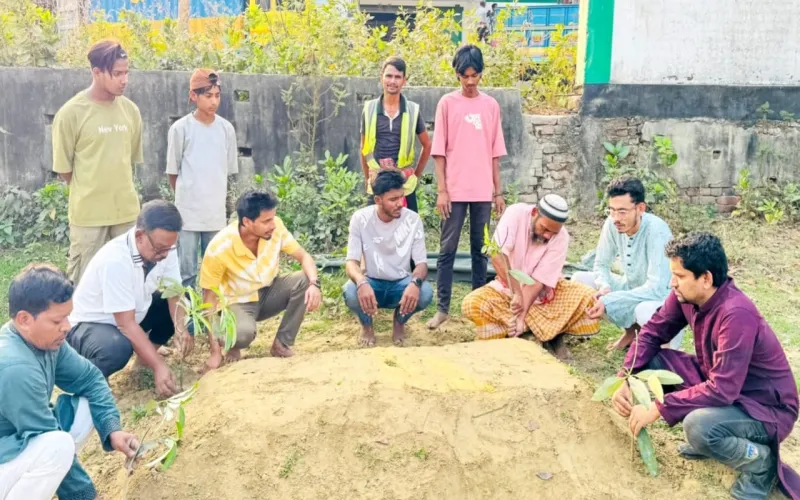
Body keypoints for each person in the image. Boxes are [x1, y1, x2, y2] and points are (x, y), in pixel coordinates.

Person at [611, 232, 800, 499]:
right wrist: (626, 377)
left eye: (679, 276)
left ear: (706, 278)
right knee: (652, 362)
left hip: (764, 408)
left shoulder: (736, 314)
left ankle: (760, 464)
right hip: (723, 385)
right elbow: (652, 333)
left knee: (699, 426)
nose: (672, 283)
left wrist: (658, 407)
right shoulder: (685, 297)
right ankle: (713, 438)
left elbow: (722, 390)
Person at [0, 264, 139, 500]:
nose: (67, 326)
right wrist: (87, 496)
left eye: (67, 316)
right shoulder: (16, 367)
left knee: (85, 407)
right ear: (24, 320)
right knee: (57, 447)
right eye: (57, 320)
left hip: (16, 444)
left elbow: (92, 379)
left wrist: (113, 430)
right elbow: (45, 433)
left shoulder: (47, 342)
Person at [66, 200, 186, 397]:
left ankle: (142, 363)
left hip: (130, 313)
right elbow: (126, 324)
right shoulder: (115, 260)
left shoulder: (165, 248)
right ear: (140, 236)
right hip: (91, 326)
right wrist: (159, 366)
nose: (165, 254)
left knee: (169, 308)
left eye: (170, 248)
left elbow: (174, 291)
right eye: (160, 249)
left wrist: (181, 328)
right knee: (116, 348)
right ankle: (92, 380)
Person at [461, 195, 600, 361]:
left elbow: (539, 281)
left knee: (590, 298)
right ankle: (539, 331)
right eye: (545, 229)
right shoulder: (515, 213)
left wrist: (521, 315)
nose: (547, 236)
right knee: (472, 304)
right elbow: (497, 254)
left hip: (542, 294)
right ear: (534, 213)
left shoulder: (562, 237)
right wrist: (516, 293)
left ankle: (548, 333)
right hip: (508, 288)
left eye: (553, 233)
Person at [427, 44, 507, 330]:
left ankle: (478, 308)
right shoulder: (447, 104)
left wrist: (498, 192)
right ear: (457, 75)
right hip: (454, 192)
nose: (470, 81)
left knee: (480, 250)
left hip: (483, 192)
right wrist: (442, 190)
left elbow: (495, 154)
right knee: (447, 250)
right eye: (465, 76)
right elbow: (439, 153)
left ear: (481, 74)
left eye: (475, 75)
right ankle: (442, 309)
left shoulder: (491, 106)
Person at [52, 40, 143, 284]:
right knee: (84, 284)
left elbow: (128, 162)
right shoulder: (71, 113)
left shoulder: (131, 111)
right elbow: (65, 170)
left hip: (126, 214)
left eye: (126, 72)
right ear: (97, 72)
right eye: (117, 74)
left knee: (128, 280)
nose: (124, 80)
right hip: (88, 218)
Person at [199, 190, 322, 369]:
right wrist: (215, 353)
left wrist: (314, 284)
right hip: (236, 301)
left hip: (269, 291)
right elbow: (208, 300)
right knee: (243, 335)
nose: (273, 225)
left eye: (273, 218)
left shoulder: (276, 228)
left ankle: (282, 344)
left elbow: (304, 257)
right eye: (266, 221)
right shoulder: (219, 247)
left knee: (304, 279)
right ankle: (232, 344)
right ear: (247, 222)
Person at [574, 177, 683, 351]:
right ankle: (631, 333)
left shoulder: (657, 230)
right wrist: (604, 287)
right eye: (612, 210)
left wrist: (609, 300)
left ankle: (666, 351)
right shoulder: (612, 224)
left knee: (643, 310)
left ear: (640, 208)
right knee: (580, 280)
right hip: (630, 287)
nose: (616, 218)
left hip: (660, 299)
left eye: (622, 212)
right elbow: (601, 264)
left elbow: (656, 288)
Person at [343, 171, 433, 347]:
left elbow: (421, 264)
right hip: (371, 282)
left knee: (425, 293)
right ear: (378, 200)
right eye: (393, 199)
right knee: (351, 292)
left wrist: (414, 283)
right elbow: (351, 262)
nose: (400, 203)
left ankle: (399, 322)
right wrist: (361, 282)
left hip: (401, 282)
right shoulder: (360, 219)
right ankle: (366, 326)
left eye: (401, 197)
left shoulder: (413, 220)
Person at [167, 68, 238, 287]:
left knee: (214, 271)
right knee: (186, 272)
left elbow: (227, 172)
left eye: (217, 95)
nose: (213, 101)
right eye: (208, 96)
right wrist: (187, 198)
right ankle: (186, 309)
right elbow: (173, 173)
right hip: (188, 215)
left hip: (215, 214)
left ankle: (212, 309)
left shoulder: (226, 129)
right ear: (193, 96)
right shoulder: (180, 129)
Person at [361, 56, 432, 213]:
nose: (392, 81)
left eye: (398, 77)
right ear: (381, 77)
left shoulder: (412, 110)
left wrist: (415, 175)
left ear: (404, 80)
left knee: (408, 225)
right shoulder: (369, 109)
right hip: (378, 181)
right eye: (389, 76)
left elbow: (427, 145)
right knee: (373, 226)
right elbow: (363, 148)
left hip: (403, 183)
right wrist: (368, 179)